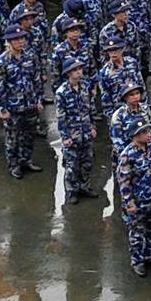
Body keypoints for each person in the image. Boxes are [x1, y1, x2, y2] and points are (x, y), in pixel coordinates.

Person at [116, 118, 151, 275]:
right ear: (135, 135)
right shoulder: (127, 155)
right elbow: (123, 182)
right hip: (138, 202)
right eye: (143, 132)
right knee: (137, 232)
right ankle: (137, 261)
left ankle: (150, 255)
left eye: (148, 131)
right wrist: (129, 203)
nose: (148, 134)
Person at [0, 35, 44, 180]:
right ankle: (14, 165)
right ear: (9, 42)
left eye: (23, 39)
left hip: (30, 104)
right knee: (12, 139)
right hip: (13, 107)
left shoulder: (30, 56)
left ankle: (26, 160)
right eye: (17, 40)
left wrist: (39, 99)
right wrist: (2, 109)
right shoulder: (1, 61)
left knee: (29, 135)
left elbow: (37, 79)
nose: (21, 42)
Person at [51, 57, 100, 202]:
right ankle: (71, 191)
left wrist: (93, 126)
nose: (79, 72)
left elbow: (90, 108)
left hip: (86, 132)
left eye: (80, 69)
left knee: (87, 162)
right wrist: (65, 136)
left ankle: (84, 187)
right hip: (72, 134)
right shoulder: (62, 92)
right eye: (75, 70)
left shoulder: (85, 86)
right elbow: (61, 117)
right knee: (72, 164)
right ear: (68, 73)